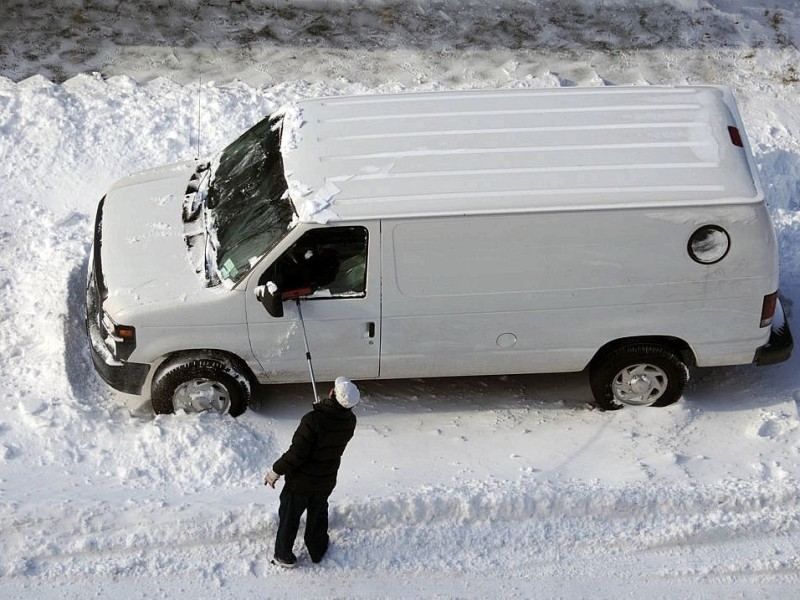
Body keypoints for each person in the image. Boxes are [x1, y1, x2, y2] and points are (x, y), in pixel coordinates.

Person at [265, 376, 360, 568]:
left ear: (332, 394)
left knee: (289, 517)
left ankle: (283, 555)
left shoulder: (312, 419)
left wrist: (275, 471)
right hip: (325, 480)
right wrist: (323, 409)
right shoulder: (350, 421)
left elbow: (297, 453)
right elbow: (330, 424)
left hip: (300, 482)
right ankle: (317, 550)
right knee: (318, 515)